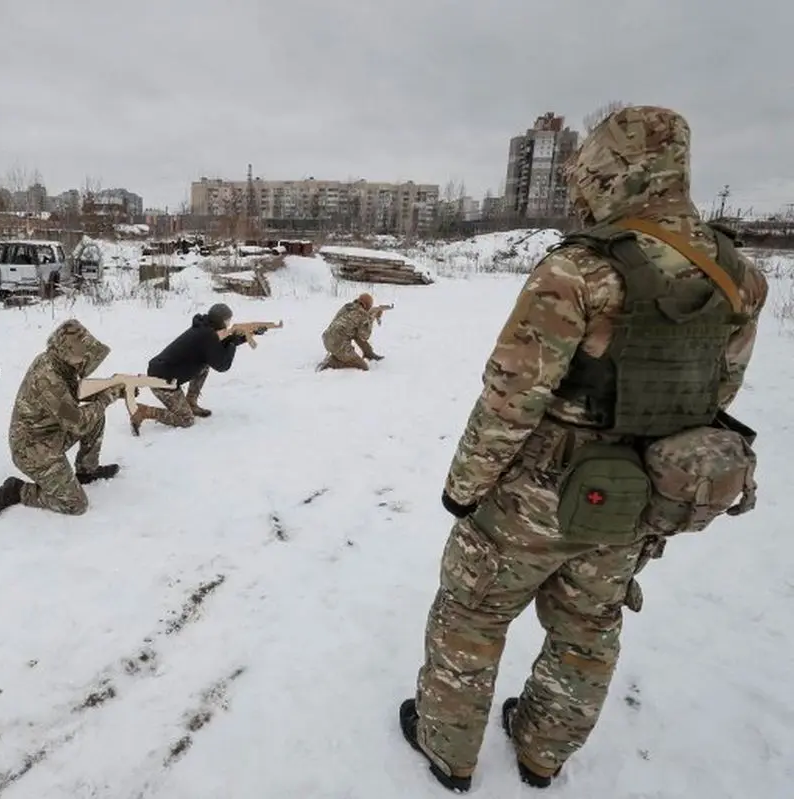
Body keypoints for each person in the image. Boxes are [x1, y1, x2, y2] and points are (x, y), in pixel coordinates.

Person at [399, 105, 769, 792]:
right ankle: (543, 752)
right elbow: (719, 391)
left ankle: (447, 748)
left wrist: (465, 487)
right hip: (636, 499)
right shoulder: (739, 275)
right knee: (589, 627)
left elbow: (511, 395)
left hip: (537, 496)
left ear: (612, 169)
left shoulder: (581, 268)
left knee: (472, 612)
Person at [0, 319, 125, 516]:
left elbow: (70, 395)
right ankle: (18, 491)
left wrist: (108, 389)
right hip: (31, 449)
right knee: (75, 505)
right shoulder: (48, 379)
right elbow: (77, 423)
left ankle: (86, 471)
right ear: (70, 352)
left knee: (96, 416)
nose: (84, 361)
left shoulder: (55, 361)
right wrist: (106, 397)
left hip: (51, 433)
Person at [129, 302, 247, 434]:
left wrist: (241, 338)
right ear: (221, 321)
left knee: (204, 366)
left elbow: (216, 349)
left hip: (162, 371)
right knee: (186, 420)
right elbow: (222, 365)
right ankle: (144, 411)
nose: (229, 324)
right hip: (163, 382)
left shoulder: (204, 328)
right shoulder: (208, 336)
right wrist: (232, 344)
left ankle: (191, 402)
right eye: (227, 320)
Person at [316, 292, 383, 371]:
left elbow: (339, 322)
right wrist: (371, 318)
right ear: (366, 306)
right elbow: (365, 336)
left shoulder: (347, 306)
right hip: (338, 344)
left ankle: (369, 353)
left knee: (355, 332)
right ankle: (332, 362)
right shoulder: (362, 314)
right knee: (363, 366)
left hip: (327, 338)